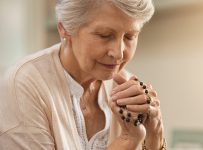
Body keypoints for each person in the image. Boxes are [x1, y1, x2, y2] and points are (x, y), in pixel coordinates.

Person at [0, 0, 166, 149]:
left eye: (130, 37)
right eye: (104, 35)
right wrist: (127, 140)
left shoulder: (126, 87)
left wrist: (155, 132)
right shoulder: (24, 84)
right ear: (64, 28)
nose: (119, 53)